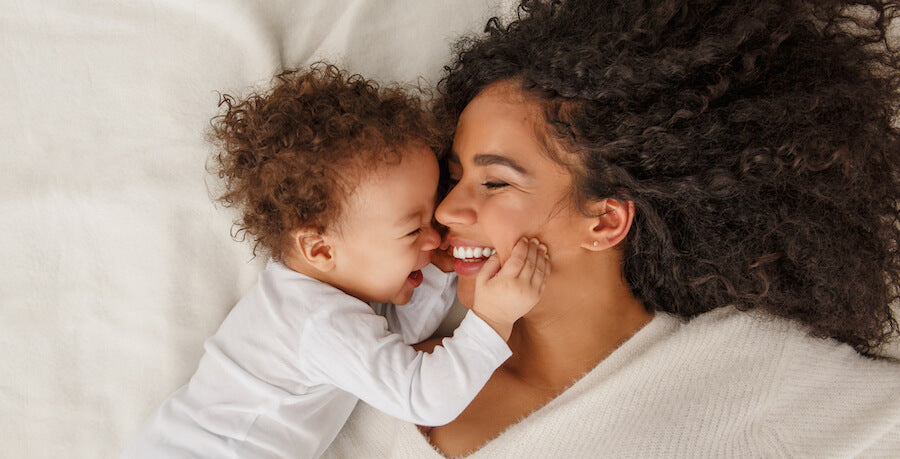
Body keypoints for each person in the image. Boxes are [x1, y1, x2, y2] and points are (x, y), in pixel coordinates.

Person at [323, 0, 900, 456]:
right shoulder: (383, 370)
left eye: (494, 183)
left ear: (604, 219)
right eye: (453, 179)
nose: (446, 212)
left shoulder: (746, 378)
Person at [121, 64, 551, 459]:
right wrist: (492, 320)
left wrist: (437, 271)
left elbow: (392, 345)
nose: (436, 236)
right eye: (412, 230)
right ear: (322, 249)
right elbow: (423, 395)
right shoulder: (317, 321)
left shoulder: (317, 299)